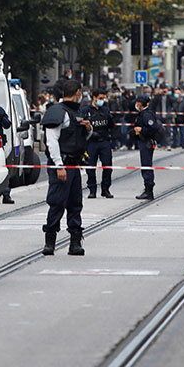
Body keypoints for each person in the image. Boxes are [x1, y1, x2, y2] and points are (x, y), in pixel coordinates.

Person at [41, 80, 91, 256]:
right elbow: (51, 140)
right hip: (61, 164)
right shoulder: (57, 111)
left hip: (74, 165)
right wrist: (58, 165)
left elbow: (80, 137)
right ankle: (50, 242)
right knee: (57, 202)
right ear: (78, 91)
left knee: (75, 203)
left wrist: (88, 128)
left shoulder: (77, 112)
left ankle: (75, 243)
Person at [82, 89, 114, 199]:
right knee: (90, 167)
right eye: (100, 98)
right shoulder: (86, 110)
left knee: (108, 166)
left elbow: (111, 126)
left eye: (103, 98)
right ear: (94, 98)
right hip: (91, 142)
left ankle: (105, 189)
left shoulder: (105, 110)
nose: (102, 100)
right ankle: (92, 189)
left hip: (104, 141)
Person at [130, 95, 162, 200]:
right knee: (145, 165)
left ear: (140, 103)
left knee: (146, 166)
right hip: (143, 141)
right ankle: (147, 189)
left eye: (137, 103)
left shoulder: (147, 115)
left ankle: (149, 190)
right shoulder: (143, 114)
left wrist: (141, 130)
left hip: (147, 142)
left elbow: (153, 128)